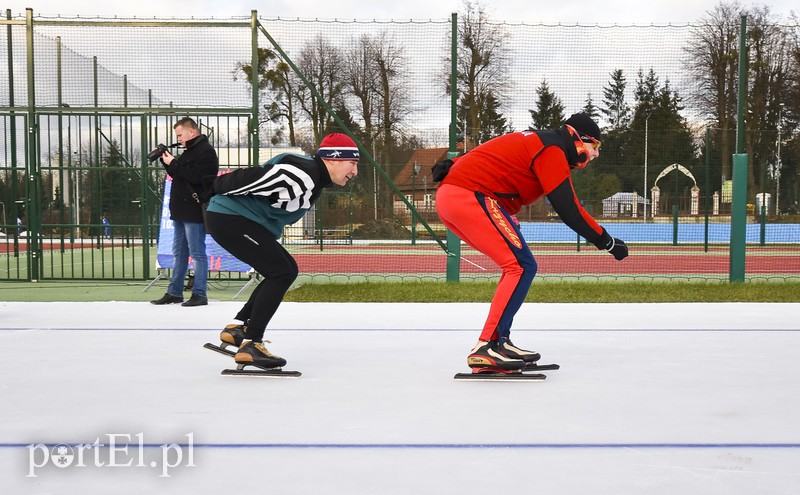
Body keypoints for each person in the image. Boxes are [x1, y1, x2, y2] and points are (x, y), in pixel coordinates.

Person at [434, 112, 629, 373]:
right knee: (521, 266)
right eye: (596, 146)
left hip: (457, 196)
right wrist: (606, 241)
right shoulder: (552, 150)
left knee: (518, 265)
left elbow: (495, 152)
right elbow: (568, 208)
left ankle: (498, 342)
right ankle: (487, 347)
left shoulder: (542, 141)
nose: (596, 154)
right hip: (469, 195)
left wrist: (454, 162)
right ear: (579, 139)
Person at [204, 133, 359, 369]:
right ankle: (251, 344)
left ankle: (239, 328)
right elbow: (252, 176)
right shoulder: (303, 175)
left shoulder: (314, 177)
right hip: (231, 219)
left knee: (286, 269)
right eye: (353, 163)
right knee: (281, 272)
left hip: (237, 219)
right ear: (334, 159)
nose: (355, 171)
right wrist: (208, 189)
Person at [150, 117, 219, 307]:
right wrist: (168, 163)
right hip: (180, 209)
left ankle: (199, 294)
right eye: (177, 136)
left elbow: (197, 177)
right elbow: (179, 175)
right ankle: (175, 292)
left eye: (180, 135)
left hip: (193, 210)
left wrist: (175, 163)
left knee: (197, 253)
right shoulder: (190, 151)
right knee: (179, 253)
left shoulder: (206, 152)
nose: (179, 138)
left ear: (192, 132)